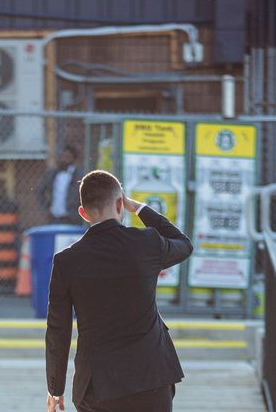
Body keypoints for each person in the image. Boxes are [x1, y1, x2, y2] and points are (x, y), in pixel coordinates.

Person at [45, 170, 193, 412]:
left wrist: (55, 387)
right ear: (119, 204)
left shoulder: (67, 261)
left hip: (97, 386)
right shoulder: (146, 243)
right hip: (151, 378)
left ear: (83, 213)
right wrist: (140, 209)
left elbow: (58, 329)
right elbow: (184, 244)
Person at [35, 145, 83, 225]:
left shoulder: (79, 176)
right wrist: (46, 206)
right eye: (62, 156)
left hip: (73, 218)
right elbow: (39, 190)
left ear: (73, 159)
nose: (64, 159)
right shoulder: (52, 173)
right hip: (54, 218)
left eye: (67, 157)